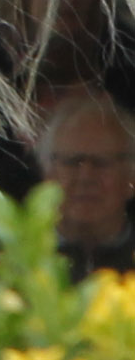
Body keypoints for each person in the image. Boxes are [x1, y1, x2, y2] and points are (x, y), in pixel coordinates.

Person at [40, 91, 135, 281]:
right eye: (72, 162)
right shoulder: (16, 268)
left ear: (131, 177)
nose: (85, 177)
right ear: (49, 176)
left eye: (102, 162)